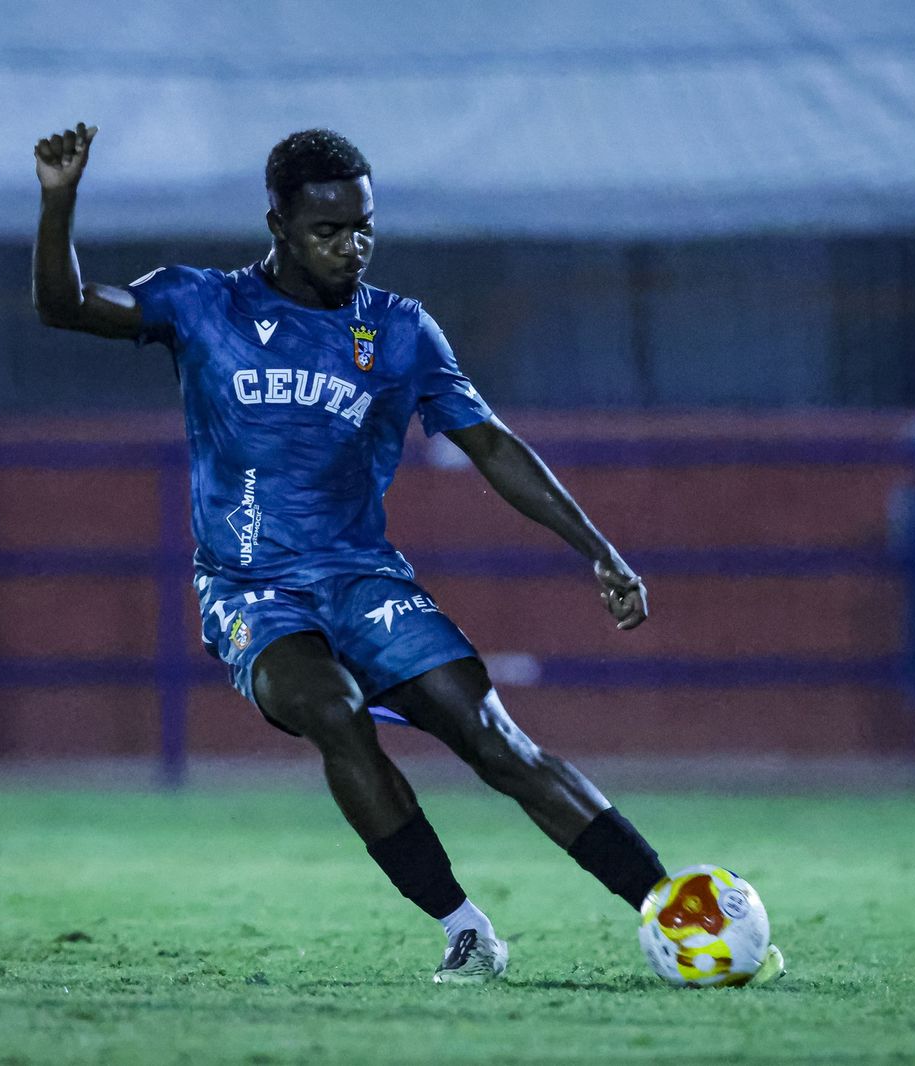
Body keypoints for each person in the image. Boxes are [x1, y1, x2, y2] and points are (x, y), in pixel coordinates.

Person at [32, 123, 667, 984]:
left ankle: (672, 906)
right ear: (279, 225)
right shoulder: (202, 305)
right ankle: (465, 927)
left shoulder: (400, 329)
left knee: (493, 738)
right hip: (251, 589)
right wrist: (60, 200)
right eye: (329, 230)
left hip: (363, 579)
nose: (353, 245)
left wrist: (599, 549)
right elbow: (63, 306)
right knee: (331, 709)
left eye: (364, 225)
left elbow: (494, 447)